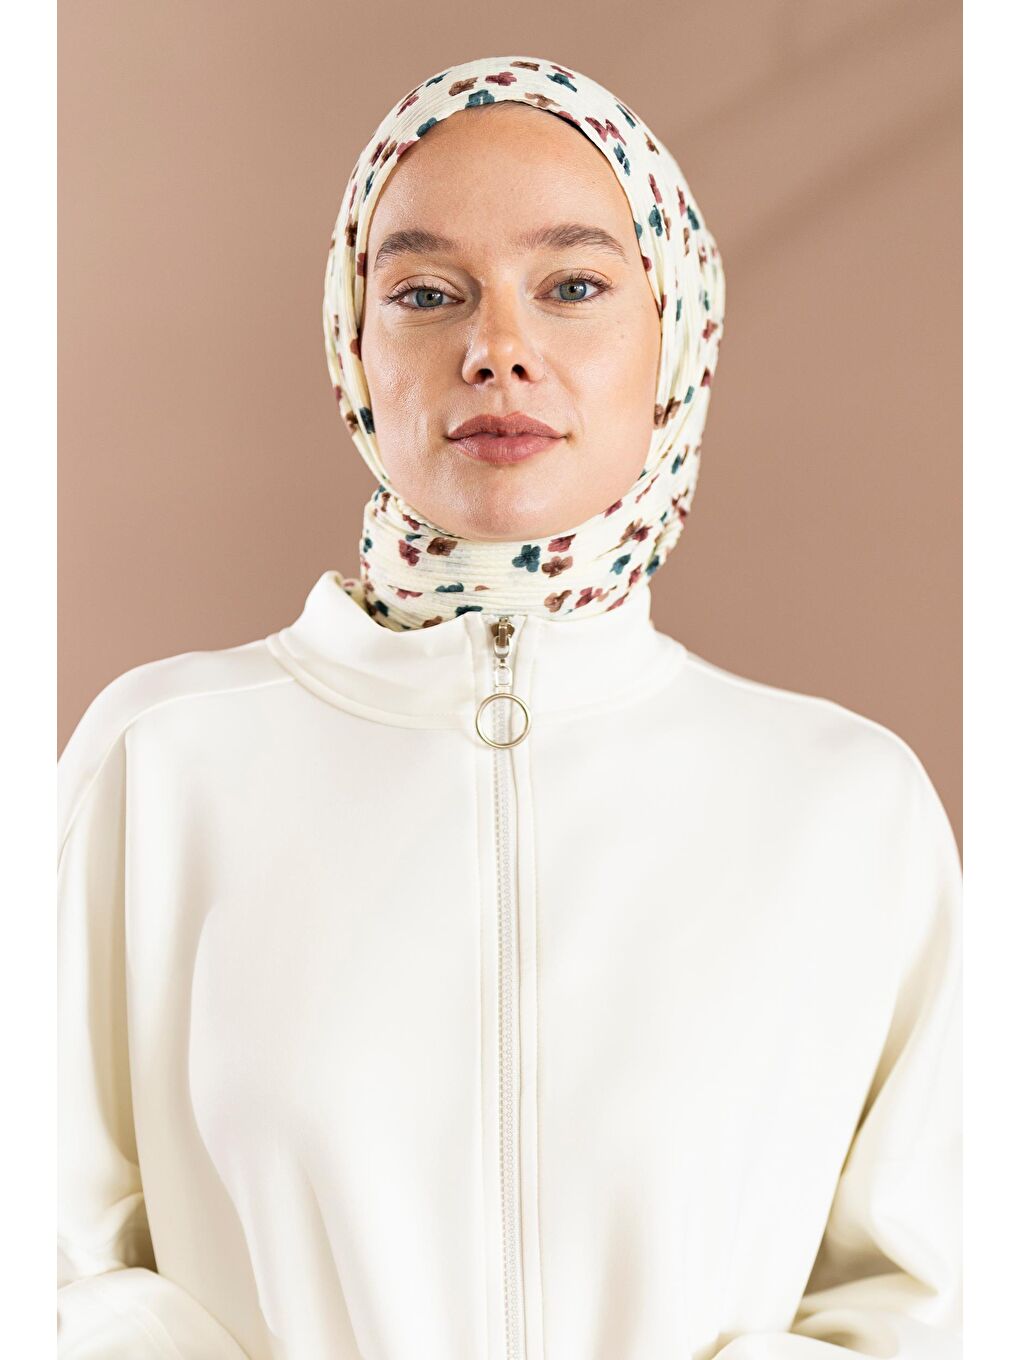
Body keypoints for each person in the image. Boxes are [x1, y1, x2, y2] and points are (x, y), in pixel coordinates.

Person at [57, 53, 962, 1360]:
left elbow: (926, 1300)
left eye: (574, 287)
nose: (497, 351)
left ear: (676, 331)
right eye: (426, 294)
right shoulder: (158, 764)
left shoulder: (847, 804)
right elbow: (48, 1263)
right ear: (353, 344)